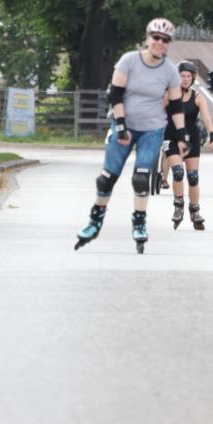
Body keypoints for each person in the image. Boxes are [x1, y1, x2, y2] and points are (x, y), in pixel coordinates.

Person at [75, 17, 187, 253]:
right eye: (155, 38)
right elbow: (114, 95)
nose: (159, 43)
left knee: (141, 177)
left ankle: (139, 222)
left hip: (152, 128)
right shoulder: (129, 60)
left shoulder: (170, 71)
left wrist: (181, 136)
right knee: (107, 177)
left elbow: (176, 106)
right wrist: (121, 124)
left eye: (165, 40)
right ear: (147, 38)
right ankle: (95, 221)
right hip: (123, 124)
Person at [164, 60, 213, 230]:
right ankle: (178, 206)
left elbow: (207, 118)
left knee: (193, 177)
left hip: (191, 139)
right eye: (182, 76)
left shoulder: (197, 97)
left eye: (188, 76)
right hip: (172, 137)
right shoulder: (169, 94)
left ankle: (194, 210)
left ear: (193, 78)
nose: (185, 79)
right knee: (178, 172)